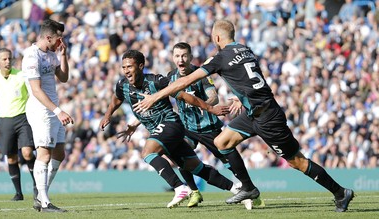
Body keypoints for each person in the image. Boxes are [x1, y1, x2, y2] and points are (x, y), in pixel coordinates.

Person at [134, 19, 354, 212]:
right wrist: (241, 97)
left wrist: (155, 97)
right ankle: (248, 188)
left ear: (217, 36)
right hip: (254, 112)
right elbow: (249, 78)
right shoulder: (246, 50)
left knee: (297, 162)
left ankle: (340, 192)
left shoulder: (220, 57)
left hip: (268, 117)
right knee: (223, 141)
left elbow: (185, 82)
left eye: (213, 36)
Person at [99, 49, 241, 208]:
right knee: (194, 167)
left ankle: (180, 188)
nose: (126, 71)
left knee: (148, 152)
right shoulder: (122, 85)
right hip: (159, 130)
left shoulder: (157, 81)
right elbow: (116, 100)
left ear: (140, 66)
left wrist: (210, 108)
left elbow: (185, 96)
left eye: (130, 67)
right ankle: (238, 189)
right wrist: (108, 115)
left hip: (171, 123)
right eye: (124, 67)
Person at [167, 42, 263, 208]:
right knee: (180, 154)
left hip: (208, 127)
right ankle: (194, 191)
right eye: (177, 56)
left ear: (190, 57)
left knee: (228, 162)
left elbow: (214, 98)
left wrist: (198, 103)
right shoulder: (170, 77)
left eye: (184, 56)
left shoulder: (201, 74)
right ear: (173, 58)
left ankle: (249, 191)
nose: (180, 59)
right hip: (187, 128)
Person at [22, 19, 74, 213]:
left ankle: (40, 191)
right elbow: (36, 90)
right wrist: (58, 111)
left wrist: (64, 55)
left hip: (53, 109)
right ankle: (44, 202)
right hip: (41, 110)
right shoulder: (31, 55)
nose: (61, 41)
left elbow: (64, 78)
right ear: (48, 37)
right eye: (59, 38)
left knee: (59, 153)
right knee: (44, 154)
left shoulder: (52, 54)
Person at [0, 48, 37, 201]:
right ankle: (18, 193)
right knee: (12, 158)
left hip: (22, 118)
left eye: (9, 58)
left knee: (27, 153)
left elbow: (33, 94)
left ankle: (37, 186)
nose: (8, 61)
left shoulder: (21, 76)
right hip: (5, 121)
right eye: (4, 59)